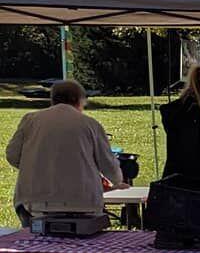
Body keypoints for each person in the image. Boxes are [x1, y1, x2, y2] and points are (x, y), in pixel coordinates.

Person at [5, 79, 122, 226]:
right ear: (78, 100)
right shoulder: (90, 124)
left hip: (35, 205)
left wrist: (36, 167)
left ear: (52, 99)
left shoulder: (30, 120)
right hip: (84, 204)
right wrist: (118, 181)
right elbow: (108, 165)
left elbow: (12, 155)